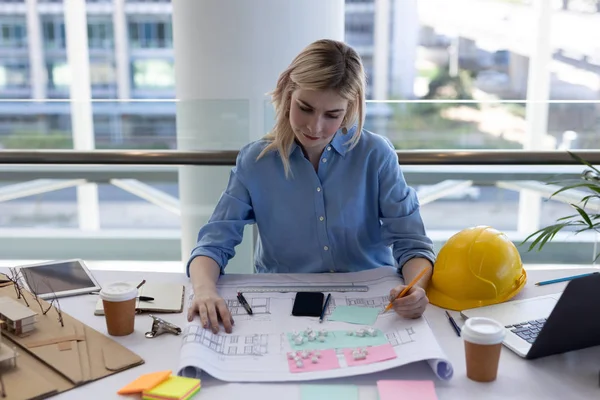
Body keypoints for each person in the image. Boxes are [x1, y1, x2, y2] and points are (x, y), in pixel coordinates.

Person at [186, 39, 436, 334]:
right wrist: (203, 290)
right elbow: (213, 244)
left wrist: (415, 289)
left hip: (373, 304)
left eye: (333, 115)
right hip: (284, 307)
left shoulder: (376, 155)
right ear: (287, 92)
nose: (315, 127)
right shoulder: (255, 162)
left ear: (350, 108)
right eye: (305, 108)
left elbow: (413, 243)